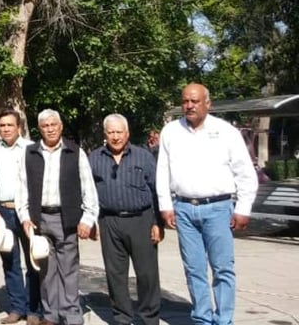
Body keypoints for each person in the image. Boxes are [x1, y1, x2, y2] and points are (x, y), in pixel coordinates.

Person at [156, 83, 259, 325]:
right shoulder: (171, 131)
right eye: (185, 101)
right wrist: (165, 205)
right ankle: (202, 318)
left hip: (218, 209)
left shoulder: (226, 132)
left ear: (208, 103)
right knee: (194, 270)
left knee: (222, 269)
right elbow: (162, 171)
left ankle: (223, 320)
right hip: (183, 209)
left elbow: (245, 173)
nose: (189, 106)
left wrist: (243, 208)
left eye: (195, 101)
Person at [16, 109, 98, 325]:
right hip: (39, 218)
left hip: (66, 218)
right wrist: (24, 216)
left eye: (54, 125)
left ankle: (71, 314)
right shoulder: (30, 153)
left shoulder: (74, 151)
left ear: (60, 126)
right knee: (46, 270)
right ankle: (51, 314)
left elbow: (88, 187)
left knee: (69, 268)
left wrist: (87, 219)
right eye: (45, 126)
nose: (50, 129)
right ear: (39, 129)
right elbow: (22, 188)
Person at [87, 114, 161, 325]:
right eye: (111, 132)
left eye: (119, 132)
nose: (116, 136)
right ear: (105, 134)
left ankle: (149, 318)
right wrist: (91, 221)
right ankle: (122, 318)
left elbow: (156, 190)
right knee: (115, 275)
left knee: (147, 274)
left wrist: (157, 223)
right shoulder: (94, 158)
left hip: (141, 220)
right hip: (109, 221)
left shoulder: (143, 156)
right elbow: (87, 192)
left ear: (127, 133)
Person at [0, 108, 41, 324]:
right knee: (10, 262)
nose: (6, 129)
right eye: (2, 125)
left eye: (10, 125)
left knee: (34, 261)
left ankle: (34, 310)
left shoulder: (31, 149)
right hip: (1, 211)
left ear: (19, 127)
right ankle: (17, 308)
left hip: (27, 212)